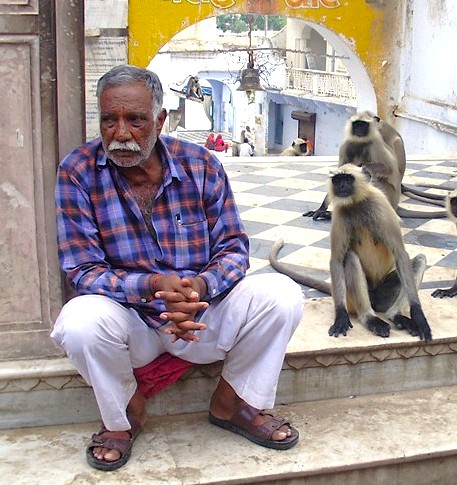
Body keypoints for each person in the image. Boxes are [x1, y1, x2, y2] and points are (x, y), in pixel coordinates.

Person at [51, 64, 304, 472]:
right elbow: (82, 268)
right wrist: (152, 285)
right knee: (79, 321)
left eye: (135, 119)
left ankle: (234, 403)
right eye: (109, 120)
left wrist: (199, 289)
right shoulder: (77, 172)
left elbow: (235, 249)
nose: (120, 133)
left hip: (201, 315)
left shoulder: (200, 164)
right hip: (133, 322)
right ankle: (122, 419)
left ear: (160, 120)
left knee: (282, 295)